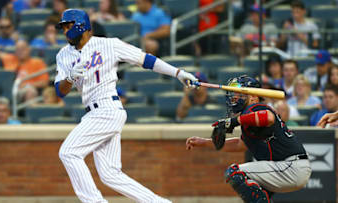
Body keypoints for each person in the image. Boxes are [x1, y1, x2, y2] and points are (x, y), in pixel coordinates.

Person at [54, 9, 197, 203]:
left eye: (68, 26)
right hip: (92, 112)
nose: (65, 31)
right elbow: (60, 91)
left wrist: (177, 72)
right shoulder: (63, 55)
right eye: (63, 27)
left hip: (107, 108)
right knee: (110, 174)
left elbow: (145, 60)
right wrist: (70, 77)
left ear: (82, 26)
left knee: (69, 152)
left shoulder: (108, 45)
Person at [186, 75, 311, 203]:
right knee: (255, 189)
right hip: (287, 168)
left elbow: (268, 117)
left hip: (290, 166)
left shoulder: (257, 108)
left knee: (235, 173)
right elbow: (240, 145)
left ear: (253, 96)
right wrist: (205, 143)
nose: (234, 97)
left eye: (239, 93)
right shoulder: (248, 116)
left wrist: (233, 121)